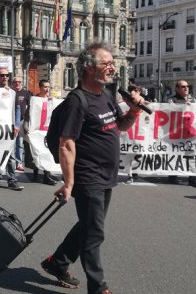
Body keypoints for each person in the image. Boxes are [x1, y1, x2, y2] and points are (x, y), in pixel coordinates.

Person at [41, 42, 145, 294]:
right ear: (89, 68)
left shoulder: (107, 94)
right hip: (89, 177)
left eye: (112, 63)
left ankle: (58, 262)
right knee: (94, 233)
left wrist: (134, 111)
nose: (112, 68)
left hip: (107, 174)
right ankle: (98, 288)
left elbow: (119, 126)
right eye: (106, 63)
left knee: (88, 225)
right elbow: (66, 143)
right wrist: (68, 183)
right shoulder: (77, 101)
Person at [166, 80, 196, 188]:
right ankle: (172, 174)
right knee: (175, 153)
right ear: (177, 89)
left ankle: (193, 178)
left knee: (192, 154)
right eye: (183, 86)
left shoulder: (193, 100)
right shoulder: (172, 100)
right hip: (177, 132)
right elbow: (168, 111)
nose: (186, 88)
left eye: (187, 86)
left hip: (190, 133)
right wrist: (183, 106)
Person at [0, 67, 24, 190]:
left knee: (10, 155)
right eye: (2, 75)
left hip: (9, 127)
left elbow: (17, 109)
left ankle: (12, 180)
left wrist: (16, 125)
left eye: (6, 75)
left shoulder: (13, 93)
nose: (4, 77)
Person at [25, 79, 58, 185]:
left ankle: (47, 176)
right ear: (40, 87)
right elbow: (28, 114)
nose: (47, 89)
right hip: (36, 130)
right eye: (44, 86)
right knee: (36, 152)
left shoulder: (51, 100)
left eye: (48, 87)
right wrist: (27, 126)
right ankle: (35, 174)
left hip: (47, 131)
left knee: (48, 153)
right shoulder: (34, 100)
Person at [12, 76, 31, 171]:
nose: (17, 83)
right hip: (10, 121)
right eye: (15, 82)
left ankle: (18, 163)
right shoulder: (10, 92)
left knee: (19, 143)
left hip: (21, 120)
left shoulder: (26, 93)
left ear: (21, 83)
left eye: (19, 82)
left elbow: (32, 105)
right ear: (12, 83)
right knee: (10, 143)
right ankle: (8, 163)